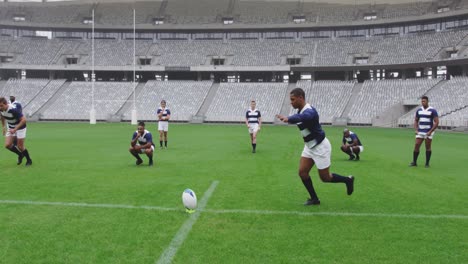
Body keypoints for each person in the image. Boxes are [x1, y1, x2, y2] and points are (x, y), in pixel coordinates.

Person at [276, 88, 354, 206]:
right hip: (309, 147)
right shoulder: (300, 110)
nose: (290, 102)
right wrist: (290, 118)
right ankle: (314, 199)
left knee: (325, 178)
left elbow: (304, 117)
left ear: (301, 98)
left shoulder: (310, 111)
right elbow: (300, 117)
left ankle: (348, 180)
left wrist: (288, 119)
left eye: (292, 99)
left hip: (320, 147)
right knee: (302, 173)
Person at [0, 97, 32, 166]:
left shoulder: (13, 110)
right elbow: (2, 117)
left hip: (20, 127)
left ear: (6, 104)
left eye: (1, 106)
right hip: (11, 127)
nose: (0, 107)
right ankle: (20, 154)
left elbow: (24, 120)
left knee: (20, 146)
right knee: (7, 145)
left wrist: (15, 129)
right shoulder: (1, 110)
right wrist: (3, 127)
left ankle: (29, 160)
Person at [410, 96, 438, 168]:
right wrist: (416, 129)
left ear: (427, 101)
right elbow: (416, 120)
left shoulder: (432, 110)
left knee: (427, 147)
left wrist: (430, 131)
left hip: (428, 131)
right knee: (416, 145)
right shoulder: (419, 110)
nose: (423, 102)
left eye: (424, 101)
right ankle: (414, 162)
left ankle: (427, 163)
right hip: (420, 131)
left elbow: (436, 122)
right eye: (422, 101)